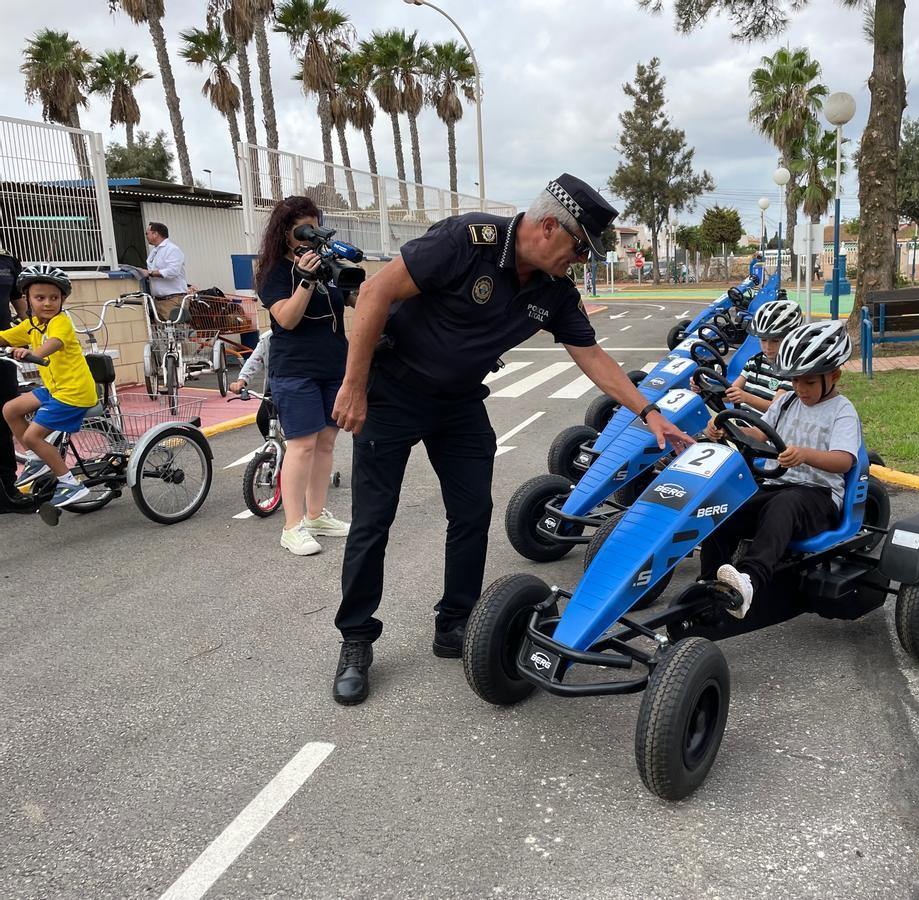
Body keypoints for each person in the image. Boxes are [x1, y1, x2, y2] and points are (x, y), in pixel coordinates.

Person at [329, 173, 694, 705]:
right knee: (373, 520)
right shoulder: (465, 240)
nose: (582, 262)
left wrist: (650, 411)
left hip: (457, 403)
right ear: (548, 227)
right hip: (392, 392)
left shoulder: (554, 290)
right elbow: (377, 291)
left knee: (473, 512)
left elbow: (590, 354)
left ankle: (454, 623)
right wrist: (354, 384)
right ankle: (357, 640)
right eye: (579, 248)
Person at [701, 320, 859, 618]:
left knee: (785, 504)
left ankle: (748, 580)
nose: (800, 388)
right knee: (723, 505)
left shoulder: (842, 411)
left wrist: (805, 455)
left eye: (809, 382)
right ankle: (709, 581)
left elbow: (844, 460)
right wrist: (725, 428)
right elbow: (758, 436)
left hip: (818, 497)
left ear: (834, 375)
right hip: (777, 486)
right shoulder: (786, 402)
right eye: (796, 381)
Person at [256, 196, 352, 557]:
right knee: (302, 445)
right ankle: (292, 526)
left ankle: (315, 516)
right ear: (284, 233)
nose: (308, 238)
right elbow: (287, 318)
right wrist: (307, 280)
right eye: (302, 231)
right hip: (295, 370)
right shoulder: (274, 272)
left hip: (333, 366)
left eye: (313, 228)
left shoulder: (325, 264)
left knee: (326, 443)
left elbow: (358, 298)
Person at [0, 265, 98, 508]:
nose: (47, 303)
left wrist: (32, 353)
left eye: (54, 298)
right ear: (27, 299)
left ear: (62, 300)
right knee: (10, 409)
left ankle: (69, 483)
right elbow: (5, 336)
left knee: (33, 435)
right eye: (40, 298)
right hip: (56, 389)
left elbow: (53, 343)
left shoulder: (60, 322)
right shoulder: (31, 324)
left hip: (74, 392)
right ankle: (38, 457)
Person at [718, 299, 805, 413]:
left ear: (792, 339)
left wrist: (746, 397)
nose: (768, 347)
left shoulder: (791, 371)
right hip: (742, 420)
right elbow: (729, 395)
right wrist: (705, 388)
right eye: (763, 340)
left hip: (766, 428)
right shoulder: (754, 362)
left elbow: (775, 409)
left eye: (775, 341)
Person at [0, 247, 34, 513]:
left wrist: (35, 330)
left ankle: (7, 490)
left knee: (4, 417)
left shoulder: (7, 260)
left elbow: (18, 302)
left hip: (2, 350)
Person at [136, 222, 189, 322]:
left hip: (172, 300)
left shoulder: (172, 249)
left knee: (177, 332)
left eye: (147, 233)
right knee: (163, 334)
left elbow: (173, 271)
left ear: (156, 234)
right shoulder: (155, 251)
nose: (146, 236)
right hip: (158, 300)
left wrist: (150, 273)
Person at [228, 330, 272, 439]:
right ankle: (273, 449)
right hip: (275, 387)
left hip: (301, 389)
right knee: (263, 419)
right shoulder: (268, 338)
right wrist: (241, 381)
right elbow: (255, 360)